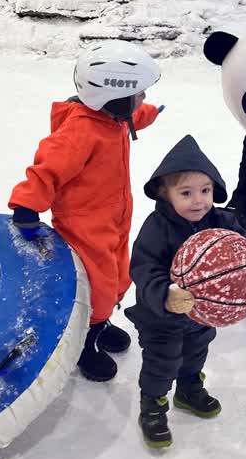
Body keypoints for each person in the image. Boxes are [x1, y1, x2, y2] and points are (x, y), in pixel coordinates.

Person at [9, 41, 162, 382]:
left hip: (114, 218)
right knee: (98, 285)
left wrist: (150, 113)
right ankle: (84, 340)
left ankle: (100, 323)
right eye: (139, 94)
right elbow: (48, 168)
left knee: (120, 275)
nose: (143, 99)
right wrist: (26, 204)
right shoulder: (81, 130)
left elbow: (134, 118)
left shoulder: (113, 118)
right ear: (114, 96)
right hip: (83, 226)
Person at [125, 135, 246, 448]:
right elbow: (143, 268)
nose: (199, 201)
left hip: (202, 316)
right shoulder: (157, 227)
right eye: (186, 193)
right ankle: (152, 405)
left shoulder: (220, 220)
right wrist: (166, 294)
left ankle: (189, 388)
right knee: (162, 362)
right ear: (165, 194)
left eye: (205, 191)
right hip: (162, 317)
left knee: (196, 352)